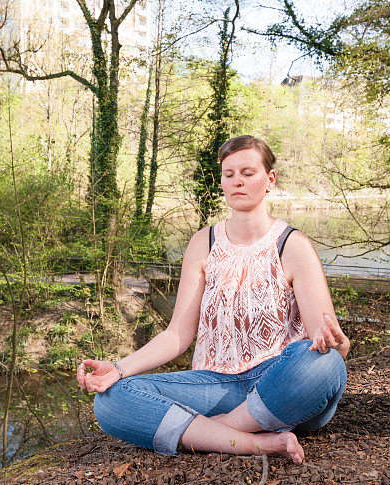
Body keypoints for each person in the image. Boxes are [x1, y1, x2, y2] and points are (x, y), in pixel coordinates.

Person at [76, 135, 350, 464]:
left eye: (248, 173)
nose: (237, 181)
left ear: (269, 180)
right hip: (213, 385)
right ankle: (255, 442)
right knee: (110, 400)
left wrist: (337, 345)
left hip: (278, 387)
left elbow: (332, 345)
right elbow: (177, 334)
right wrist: (118, 370)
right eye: (229, 173)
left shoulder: (293, 246)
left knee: (325, 365)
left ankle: (217, 430)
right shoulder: (203, 244)